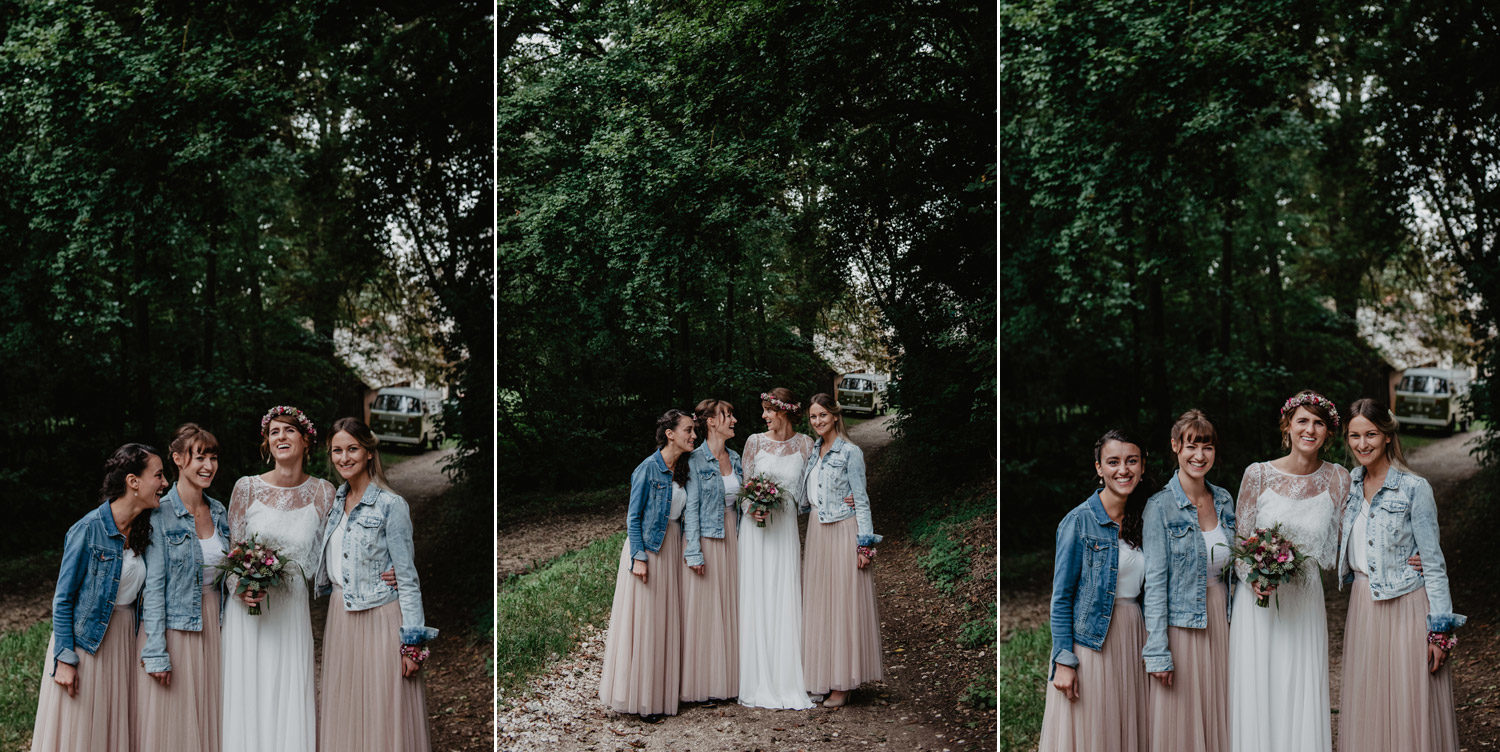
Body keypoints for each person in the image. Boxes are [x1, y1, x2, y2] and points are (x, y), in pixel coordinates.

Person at [1335, 398, 1462, 751]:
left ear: (1388, 435)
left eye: (1371, 434)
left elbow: (1434, 565)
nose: (1362, 444)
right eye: (1354, 436)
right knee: (1370, 701)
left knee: (1406, 701)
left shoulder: (1414, 489)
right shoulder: (1347, 487)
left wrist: (1440, 632)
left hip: (1406, 606)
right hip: (1363, 605)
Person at [1228, 390, 1350, 752]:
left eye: (1319, 423)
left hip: (1305, 602)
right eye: (1303, 421)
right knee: (1260, 685)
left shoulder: (1339, 479)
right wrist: (1254, 579)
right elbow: (1238, 544)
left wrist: (1407, 556)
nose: (1310, 429)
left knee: (1300, 685)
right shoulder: (1258, 475)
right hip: (1260, 603)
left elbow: (1353, 538)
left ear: (1328, 432)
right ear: (1287, 426)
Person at [31, 443, 167, 752]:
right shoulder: (88, 529)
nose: (164, 483)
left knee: (111, 730)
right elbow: (63, 599)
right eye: (158, 476)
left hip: (123, 642)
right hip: (86, 644)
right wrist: (64, 658)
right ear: (133, 481)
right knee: (82, 733)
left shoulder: (144, 529)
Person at [316, 417, 437, 751]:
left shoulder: (391, 505)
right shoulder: (334, 504)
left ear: (368, 452)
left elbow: (409, 581)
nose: (344, 458)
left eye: (352, 449)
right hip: (341, 616)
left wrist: (412, 643)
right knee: (348, 707)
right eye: (337, 451)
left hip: (380, 617)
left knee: (382, 708)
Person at [221, 406, 336, 752]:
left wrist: (382, 571)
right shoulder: (246, 489)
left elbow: (335, 553)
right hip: (249, 611)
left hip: (291, 612)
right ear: (266, 444)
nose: (281, 437)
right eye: (274, 432)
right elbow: (232, 551)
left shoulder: (324, 494)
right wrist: (240, 588)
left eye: (288, 430)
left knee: (289, 690)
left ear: (306, 440)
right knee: (249, 692)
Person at [1037, 429, 1152, 752]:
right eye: (1113, 462)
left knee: (1127, 729)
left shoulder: (1146, 518)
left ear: (1142, 467)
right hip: (1091, 642)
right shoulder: (1078, 521)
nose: (1123, 470)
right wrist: (1063, 661)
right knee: (1095, 732)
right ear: (1099, 468)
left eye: (1132, 461)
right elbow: (1061, 598)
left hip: (1134, 636)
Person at [1141, 410, 1234, 751]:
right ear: (1175, 447)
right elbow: (1154, 585)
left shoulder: (1224, 499)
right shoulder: (1160, 507)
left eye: (1207, 446)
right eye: (1191, 446)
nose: (1199, 455)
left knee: (1220, 710)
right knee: (1183, 719)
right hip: (1181, 626)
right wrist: (1158, 653)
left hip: (1223, 622)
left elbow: (1236, 566)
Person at [599, 409, 700, 719]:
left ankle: (663, 693)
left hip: (671, 548)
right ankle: (643, 700)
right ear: (670, 433)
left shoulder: (683, 468)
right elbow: (633, 517)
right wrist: (638, 558)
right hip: (648, 549)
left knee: (665, 622)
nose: (694, 435)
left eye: (694, 430)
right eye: (688, 430)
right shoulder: (647, 469)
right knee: (646, 624)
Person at [136, 424, 231, 751]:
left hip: (216, 628)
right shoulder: (159, 514)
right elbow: (153, 587)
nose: (208, 466)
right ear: (177, 459)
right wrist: (156, 651)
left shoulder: (219, 511)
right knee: (174, 726)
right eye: (200, 457)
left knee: (211, 719)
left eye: (213, 458)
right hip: (176, 629)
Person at [800, 394, 883, 707]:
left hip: (843, 531)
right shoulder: (813, 451)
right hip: (818, 532)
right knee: (821, 606)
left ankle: (842, 683)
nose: (818, 421)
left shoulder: (851, 452)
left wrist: (864, 544)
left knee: (841, 606)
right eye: (813, 417)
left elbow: (861, 500)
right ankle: (821, 676)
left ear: (834, 416)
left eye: (822, 415)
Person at [737, 388, 816, 710]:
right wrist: (751, 507)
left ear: (782, 412)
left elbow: (814, 490)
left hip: (784, 532)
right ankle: (755, 676)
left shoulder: (806, 445)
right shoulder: (754, 442)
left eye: (768, 410)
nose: (764, 416)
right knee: (757, 597)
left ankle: (786, 677)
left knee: (784, 597)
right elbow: (743, 488)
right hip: (756, 534)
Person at [681, 399, 743, 703]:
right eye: (726, 415)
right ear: (711, 423)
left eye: (731, 415)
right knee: (705, 612)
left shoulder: (736, 457)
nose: (733, 420)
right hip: (707, 537)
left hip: (734, 536)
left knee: (731, 607)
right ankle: (702, 685)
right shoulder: (694, 460)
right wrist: (693, 552)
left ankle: (729, 681)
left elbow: (743, 501)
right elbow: (690, 510)